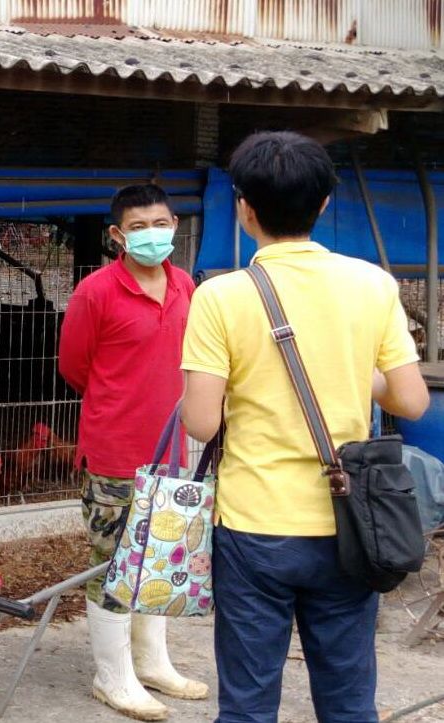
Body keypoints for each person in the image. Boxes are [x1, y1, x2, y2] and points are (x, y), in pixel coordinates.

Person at [180, 131, 430, 722]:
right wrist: (346, 371)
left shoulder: (220, 297)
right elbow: (412, 401)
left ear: (244, 206)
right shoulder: (373, 283)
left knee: (247, 704)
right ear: (322, 204)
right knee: (347, 701)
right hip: (350, 524)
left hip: (254, 526)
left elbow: (199, 421)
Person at [60, 184, 209, 721]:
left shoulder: (185, 285)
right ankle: (112, 676)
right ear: (118, 236)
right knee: (112, 562)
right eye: (141, 226)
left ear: (175, 226)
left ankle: (152, 662)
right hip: (114, 450)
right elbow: (75, 367)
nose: (155, 234)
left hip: (173, 450)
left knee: (160, 557)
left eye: (162, 223)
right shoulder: (95, 292)